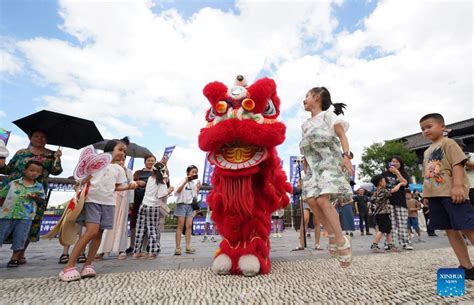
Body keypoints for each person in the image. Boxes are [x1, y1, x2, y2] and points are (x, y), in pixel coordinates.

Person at [59, 137, 138, 282]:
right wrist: (82, 180)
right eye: (120, 149)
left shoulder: (119, 169)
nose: (122, 153)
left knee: (98, 234)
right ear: (109, 149)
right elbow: (82, 178)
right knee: (92, 231)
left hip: (109, 203)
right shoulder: (97, 163)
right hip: (92, 200)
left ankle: (88, 265)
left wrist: (129, 186)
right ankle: (69, 266)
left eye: (125, 151)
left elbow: (117, 186)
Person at [299, 86, 354, 268]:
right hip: (313, 168)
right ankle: (331, 235)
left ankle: (341, 240)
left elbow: (341, 135)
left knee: (323, 200)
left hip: (330, 162)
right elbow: (306, 149)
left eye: (306, 96)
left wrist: (347, 156)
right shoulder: (305, 125)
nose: (304, 99)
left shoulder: (328, 116)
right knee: (311, 200)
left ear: (316, 97)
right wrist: (306, 169)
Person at [420, 113, 474, 280]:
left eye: (429, 126)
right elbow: (426, 175)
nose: (425, 131)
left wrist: (457, 186)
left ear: (442, 126)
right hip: (435, 195)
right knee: (450, 229)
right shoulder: (428, 150)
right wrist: (426, 194)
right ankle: (466, 266)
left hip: (452, 193)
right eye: (422, 129)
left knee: (468, 227)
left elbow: (458, 164)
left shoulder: (448, 143)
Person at [0, 130, 62, 263]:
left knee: (30, 222)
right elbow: (7, 169)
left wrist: (57, 158)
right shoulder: (21, 153)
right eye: (36, 136)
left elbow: (56, 171)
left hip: (35, 193)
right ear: (30, 137)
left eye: (43, 136)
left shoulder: (51, 155)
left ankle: (18, 255)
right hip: (13, 191)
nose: (40, 139)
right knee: (3, 222)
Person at [0, 160, 45, 267]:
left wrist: (36, 197)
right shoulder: (14, 183)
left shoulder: (38, 187)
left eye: (38, 172)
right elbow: (2, 195)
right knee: (1, 233)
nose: (34, 173)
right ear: (25, 170)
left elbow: (42, 200)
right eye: (32, 170)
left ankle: (15, 258)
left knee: (20, 236)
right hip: (7, 213)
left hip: (25, 215)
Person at [133, 162, 174, 259]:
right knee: (152, 230)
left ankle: (136, 252)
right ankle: (152, 252)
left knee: (140, 229)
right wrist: (169, 190)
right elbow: (161, 195)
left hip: (143, 205)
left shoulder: (150, 179)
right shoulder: (162, 182)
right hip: (153, 207)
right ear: (163, 172)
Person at [96, 158, 134, 260]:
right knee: (108, 223)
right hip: (111, 197)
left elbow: (131, 184)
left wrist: (131, 202)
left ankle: (122, 249)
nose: (121, 161)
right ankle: (101, 250)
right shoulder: (109, 169)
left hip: (124, 199)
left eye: (123, 159)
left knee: (122, 223)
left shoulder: (128, 171)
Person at [382, 156, 413, 250]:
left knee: (402, 223)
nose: (395, 163)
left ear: (400, 164)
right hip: (388, 201)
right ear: (389, 163)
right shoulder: (384, 174)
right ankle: (389, 243)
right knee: (389, 223)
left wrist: (397, 173)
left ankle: (405, 242)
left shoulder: (404, 173)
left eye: (397, 162)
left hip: (400, 201)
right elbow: (380, 185)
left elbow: (405, 183)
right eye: (393, 161)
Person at [127, 155, 156, 254]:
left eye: (152, 161)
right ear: (145, 161)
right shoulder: (137, 173)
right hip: (137, 199)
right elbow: (131, 184)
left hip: (150, 201)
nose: (150, 162)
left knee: (148, 224)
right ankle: (132, 245)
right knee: (134, 223)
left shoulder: (156, 173)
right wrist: (137, 182)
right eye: (149, 160)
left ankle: (146, 246)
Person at [174, 165, 201, 256]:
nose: (194, 174)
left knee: (189, 225)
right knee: (180, 225)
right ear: (188, 172)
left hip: (190, 206)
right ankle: (178, 248)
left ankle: (188, 247)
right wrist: (185, 181)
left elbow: (194, 197)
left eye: (196, 172)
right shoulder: (183, 180)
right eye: (192, 172)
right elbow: (177, 191)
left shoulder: (193, 184)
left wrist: (197, 189)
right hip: (181, 204)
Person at [369, 174, 400, 253]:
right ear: (380, 183)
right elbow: (394, 190)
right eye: (384, 181)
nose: (385, 182)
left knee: (388, 230)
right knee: (382, 230)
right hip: (382, 213)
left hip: (382, 213)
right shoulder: (383, 190)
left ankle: (390, 246)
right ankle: (374, 245)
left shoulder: (375, 192)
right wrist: (400, 184)